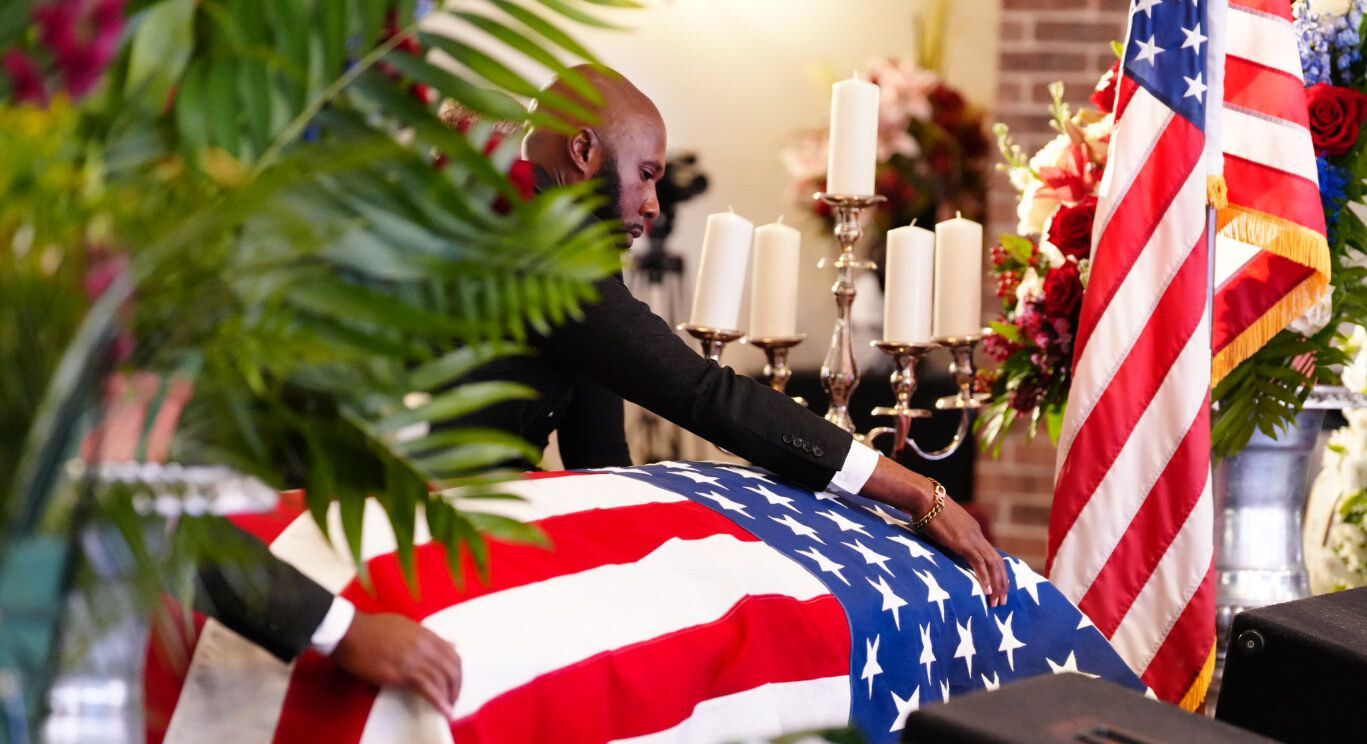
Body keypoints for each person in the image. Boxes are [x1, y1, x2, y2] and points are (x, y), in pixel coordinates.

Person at [199, 64, 1007, 718]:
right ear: (584, 152)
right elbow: (704, 395)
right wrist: (913, 491)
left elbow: (601, 460)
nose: (654, 205)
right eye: (646, 175)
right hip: (342, 556)